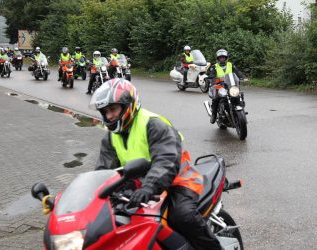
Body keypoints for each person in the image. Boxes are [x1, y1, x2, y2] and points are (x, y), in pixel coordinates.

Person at [89, 79, 222, 250]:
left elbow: (166, 160)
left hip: (178, 181)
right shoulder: (111, 136)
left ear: (129, 104)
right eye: (105, 112)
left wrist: (149, 187)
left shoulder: (153, 124)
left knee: (182, 216)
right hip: (142, 187)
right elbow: (103, 170)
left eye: (113, 109)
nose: (109, 116)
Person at [208, 49, 245, 124]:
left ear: (226, 58)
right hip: (219, 85)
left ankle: (241, 111)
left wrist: (242, 77)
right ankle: (214, 115)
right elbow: (211, 76)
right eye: (220, 58)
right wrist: (212, 81)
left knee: (238, 94)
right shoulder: (214, 67)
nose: (222, 59)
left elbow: (237, 72)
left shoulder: (230, 65)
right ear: (218, 59)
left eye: (223, 58)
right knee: (216, 98)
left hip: (230, 84)